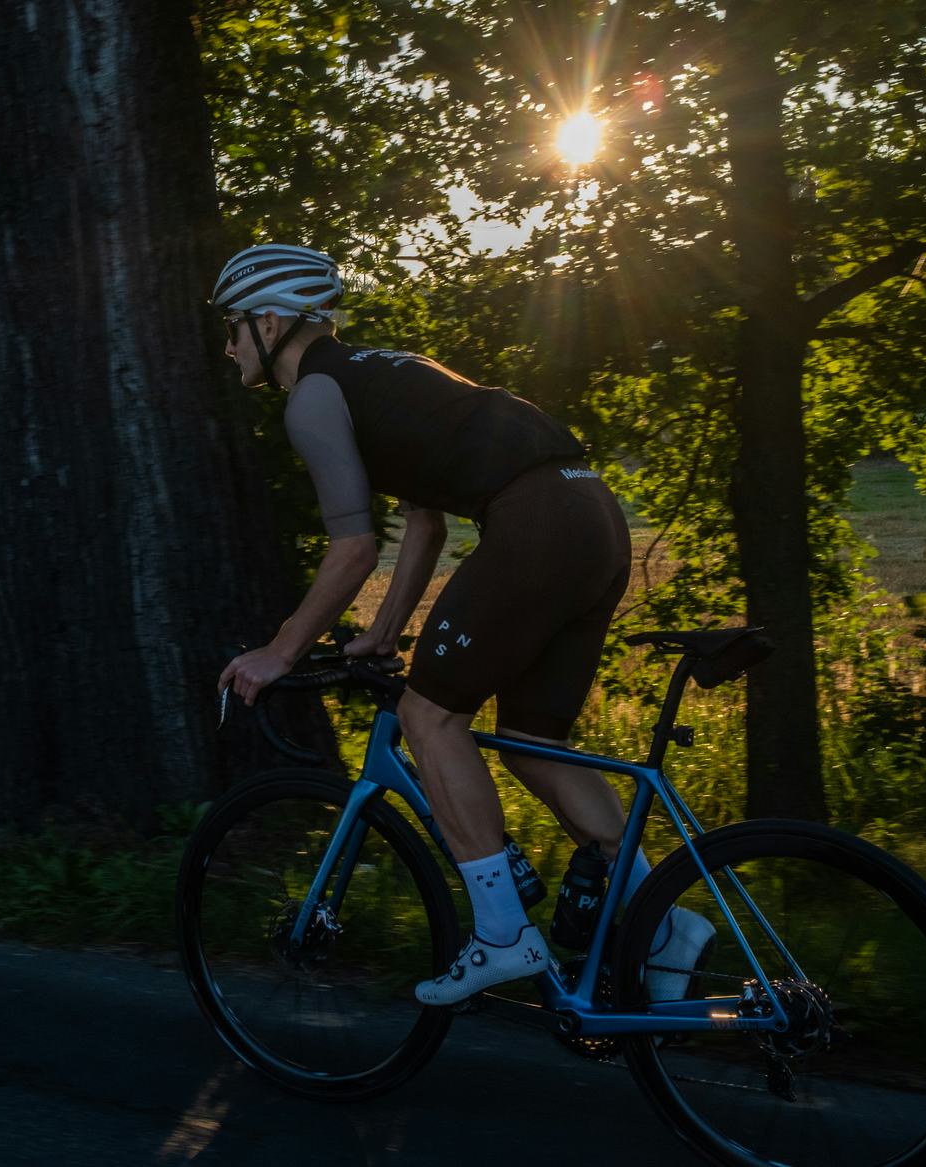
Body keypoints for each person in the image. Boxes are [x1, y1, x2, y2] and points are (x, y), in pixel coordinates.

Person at [213, 243, 713, 1006]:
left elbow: (353, 549)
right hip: (593, 512)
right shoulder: (386, 370)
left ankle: (503, 934)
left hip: (536, 523)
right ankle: (662, 925)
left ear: (271, 322)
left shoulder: (312, 396)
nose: (228, 346)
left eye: (233, 328)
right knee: (536, 744)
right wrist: (384, 630)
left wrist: (280, 651)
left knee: (428, 716)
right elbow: (425, 522)